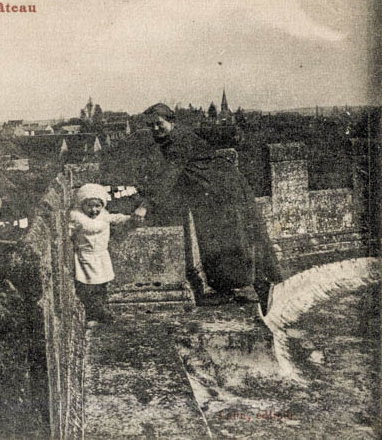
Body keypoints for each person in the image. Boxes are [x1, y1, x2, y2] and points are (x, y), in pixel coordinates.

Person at [136, 103, 281, 314]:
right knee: (232, 238)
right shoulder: (174, 137)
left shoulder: (178, 141)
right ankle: (248, 284)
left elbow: (170, 174)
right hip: (217, 189)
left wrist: (145, 205)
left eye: (159, 124)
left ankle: (250, 286)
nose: (155, 129)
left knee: (227, 241)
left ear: (171, 121)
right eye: (151, 126)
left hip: (219, 192)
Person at [70, 183, 132, 325]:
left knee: (102, 285)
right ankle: (93, 314)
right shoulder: (78, 219)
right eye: (89, 206)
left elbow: (115, 218)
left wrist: (129, 219)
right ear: (81, 205)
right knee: (89, 287)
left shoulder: (103, 217)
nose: (94, 210)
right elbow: (68, 232)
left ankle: (101, 309)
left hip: (102, 255)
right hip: (86, 257)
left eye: (97, 206)